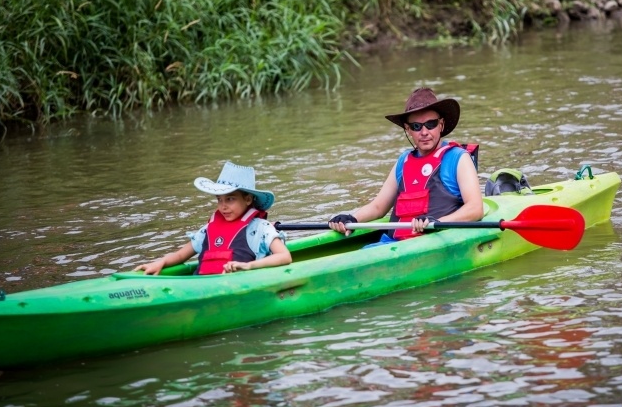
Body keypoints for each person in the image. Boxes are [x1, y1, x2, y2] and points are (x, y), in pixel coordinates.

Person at [329, 87, 483, 243]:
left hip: (436, 242)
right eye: (416, 126)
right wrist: (351, 218)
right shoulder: (403, 161)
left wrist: (439, 222)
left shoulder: (458, 158)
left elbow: (475, 208)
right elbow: (378, 207)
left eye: (431, 124)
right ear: (408, 129)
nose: (424, 132)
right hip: (393, 245)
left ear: (441, 124)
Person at [136, 161, 292, 275]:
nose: (223, 206)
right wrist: (161, 262)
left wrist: (249, 266)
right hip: (202, 285)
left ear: (248, 199)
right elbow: (180, 255)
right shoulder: (208, 230)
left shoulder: (260, 228)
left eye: (230, 199)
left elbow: (284, 256)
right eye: (219, 199)